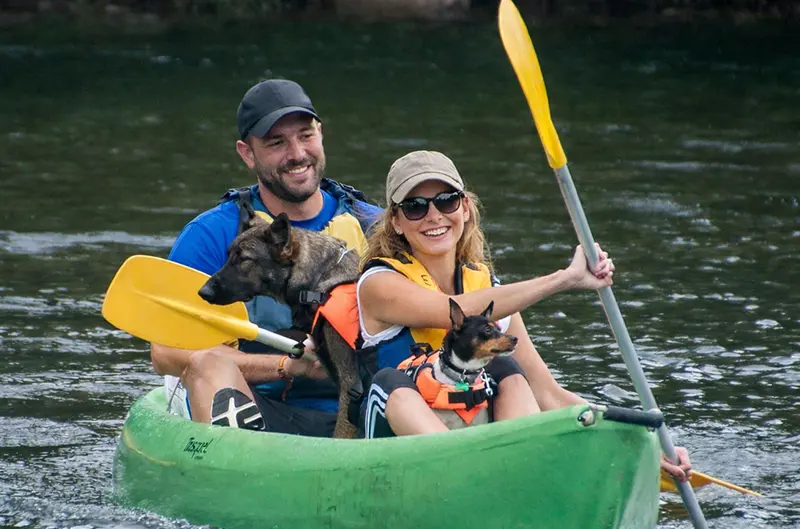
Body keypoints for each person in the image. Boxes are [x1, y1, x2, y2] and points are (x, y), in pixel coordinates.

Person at [355, 150, 692, 481]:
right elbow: (456, 309)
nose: (433, 216)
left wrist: (639, 441)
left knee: (507, 369)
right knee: (389, 381)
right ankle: (466, 471)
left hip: (473, 443)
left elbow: (548, 394)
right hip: (397, 450)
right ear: (395, 221)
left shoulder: (489, 290)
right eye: (415, 207)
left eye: (446, 201)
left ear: (465, 208)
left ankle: (520, 469)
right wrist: (564, 278)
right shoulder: (378, 283)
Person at [151, 79, 381, 437]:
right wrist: (287, 366)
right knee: (208, 364)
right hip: (260, 408)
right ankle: (234, 458)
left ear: (320, 134)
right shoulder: (210, 234)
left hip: (360, 407)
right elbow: (164, 354)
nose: (297, 153)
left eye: (305, 135)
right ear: (247, 153)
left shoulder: (377, 227)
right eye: (276, 143)